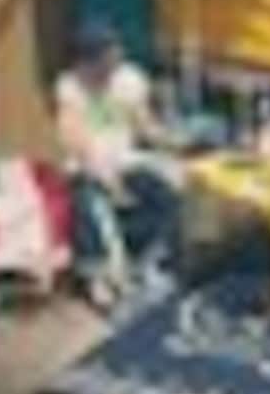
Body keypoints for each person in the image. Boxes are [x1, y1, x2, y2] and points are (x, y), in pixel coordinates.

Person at [55, 21, 183, 311]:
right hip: (86, 165)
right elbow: (73, 136)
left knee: (164, 193)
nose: (116, 58)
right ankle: (98, 275)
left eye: (116, 51)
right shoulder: (70, 86)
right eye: (108, 53)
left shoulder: (130, 80)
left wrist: (173, 144)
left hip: (126, 160)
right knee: (90, 203)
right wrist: (100, 170)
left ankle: (152, 259)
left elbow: (144, 126)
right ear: (88, 60)